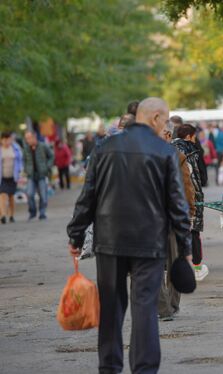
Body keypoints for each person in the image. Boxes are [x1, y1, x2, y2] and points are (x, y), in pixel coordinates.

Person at [67, 97, 192, 374]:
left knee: (111, 307)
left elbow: (88, 196)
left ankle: (109, 367)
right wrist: (184, 247)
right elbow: (177, 205)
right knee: (145, 306)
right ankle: (144, 369)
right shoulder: (164, 151)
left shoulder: (105, 147)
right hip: (149, 241)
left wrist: (75, 235)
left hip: (109, 240)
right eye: (166, 119)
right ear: (156, 118)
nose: (166, 125)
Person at [157, 118, 196, 320]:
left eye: (165, 133)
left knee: (172, 262)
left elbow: (187, 188)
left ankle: (169, 305)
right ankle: (166, 307)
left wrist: (189, 213)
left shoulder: (177, 156)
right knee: (158, 263)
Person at [171, 118, 209, 282]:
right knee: (193, 231)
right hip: (188, 197)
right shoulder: (187, 151)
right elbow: (191, 180)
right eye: (194, 137)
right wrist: (193, 203)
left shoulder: (169, 148)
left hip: (176, 198)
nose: (196, 140)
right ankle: (196, 266)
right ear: (188, 136)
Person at [23, 131, 53, 220]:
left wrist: (47, 167)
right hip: (31, 175)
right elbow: (24, 160)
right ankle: (32, 212)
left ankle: (42, 212)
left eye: (29, 138)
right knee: (29, 194)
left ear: (34, 137)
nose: (28, 140)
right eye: (26, 138)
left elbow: (51, 156)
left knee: (43, 195)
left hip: (42, 174)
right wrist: (26, 169)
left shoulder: (43, 146)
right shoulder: (25, 149)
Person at [0, 132, 23, 224]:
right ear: (1, 140)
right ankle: (3, 215)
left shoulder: (15, 148)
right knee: (3, 195)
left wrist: (20, 171)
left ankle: (11, 215)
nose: (6, 141)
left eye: (8, 139)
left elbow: (20, 161)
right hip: (2, 177)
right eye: (4, 139)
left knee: (11, 197)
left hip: (13, 176)